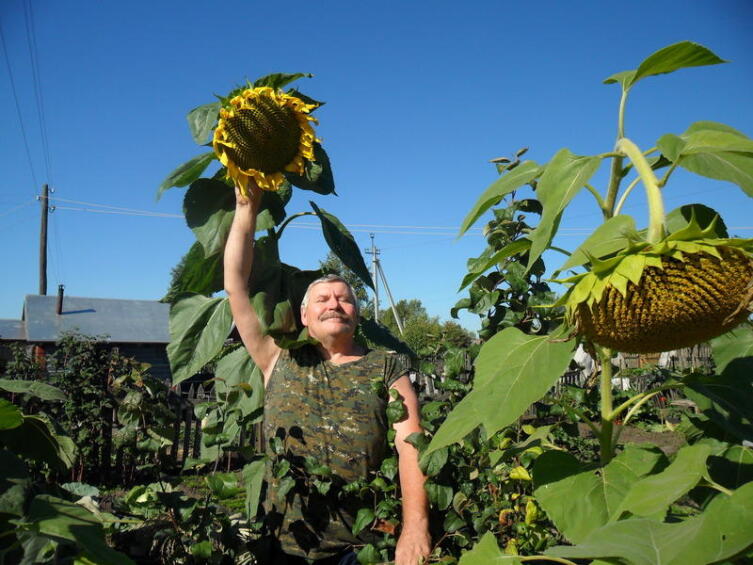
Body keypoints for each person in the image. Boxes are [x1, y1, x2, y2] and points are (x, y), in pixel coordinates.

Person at [224, 181, 431, 565]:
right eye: (322, 298)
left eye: (345, 299)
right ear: (304, 316)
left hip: (360, 547)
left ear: (357, 314)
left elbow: (410, 447)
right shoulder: (278, 358)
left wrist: (415, 528)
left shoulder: (386, 366)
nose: (335, 303)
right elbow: (236, 284)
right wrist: (245, 209)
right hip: (283, 545)